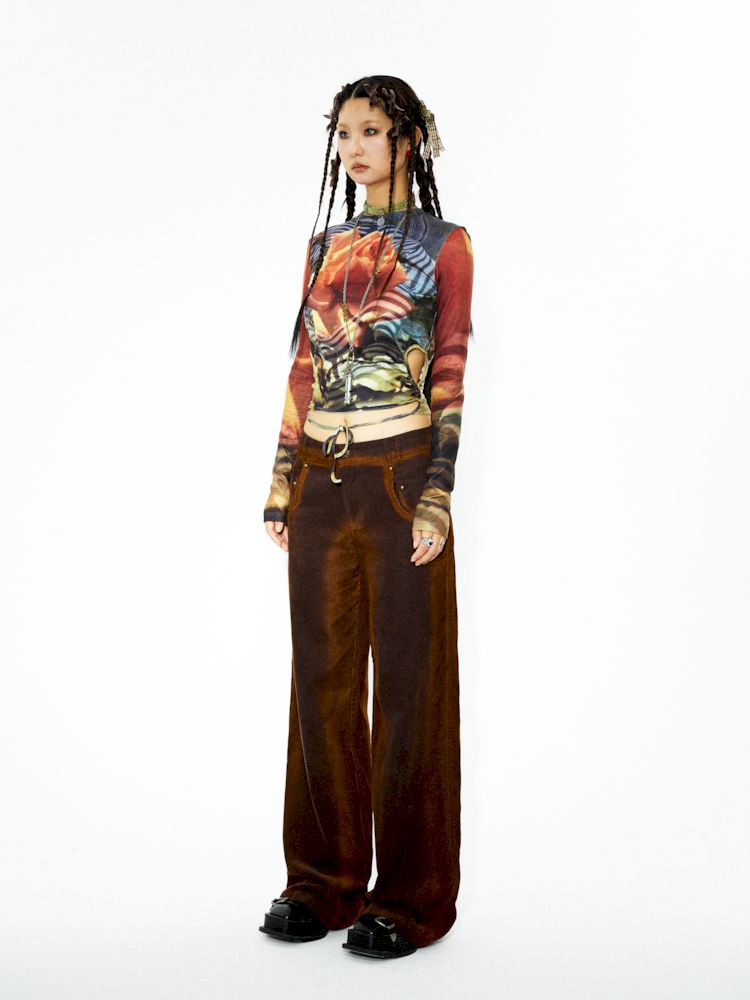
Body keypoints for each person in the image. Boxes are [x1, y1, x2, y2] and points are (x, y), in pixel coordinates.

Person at [258, 76, 475, 960]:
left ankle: (413, 900)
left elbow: (450, 367)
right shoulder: (323, 245)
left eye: (371, 131)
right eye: (343, 132)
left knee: (412, 689)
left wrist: (438, 491)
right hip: (321, 477)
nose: (354, 147)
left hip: (399, 475)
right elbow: (303, 366)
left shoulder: (446, 245)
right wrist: (282, 478)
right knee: (321, 683)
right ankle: (322, 882)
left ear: (407, 140)